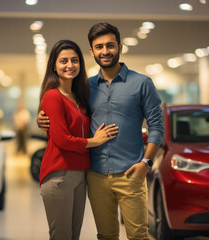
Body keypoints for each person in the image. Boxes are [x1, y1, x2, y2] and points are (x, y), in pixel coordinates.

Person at [38, 23, 165, 240]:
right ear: (92, 51)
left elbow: (157, 126)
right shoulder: (85, 88)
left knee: (138, 235)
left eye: (110, 46)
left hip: (131, 173)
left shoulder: (142, 83)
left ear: (120, 47)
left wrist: (147, 162)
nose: (105, 51)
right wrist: (42, 118)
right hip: (95, 175)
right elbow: (64, 116)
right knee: (105, 236)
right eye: (99, 47)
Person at [38, 39, 119, 240]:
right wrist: (95, 141)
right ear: (54, 66)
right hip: (59, 175)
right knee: (61, 236)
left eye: (74, 60)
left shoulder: (78, 96)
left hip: (80, 175)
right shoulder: (52, 96)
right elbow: (63, 140)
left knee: (74, 236)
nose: (70, 65)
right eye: (63, 61)